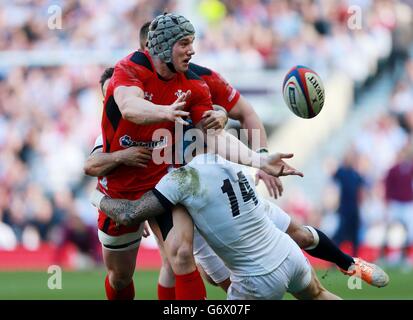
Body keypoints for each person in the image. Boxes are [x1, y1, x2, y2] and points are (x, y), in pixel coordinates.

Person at [96, 12, 300, 300]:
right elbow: (130, 107)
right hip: (120, 189)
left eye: (192, 42)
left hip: (162, 181)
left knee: (180, 253)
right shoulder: (129, 68)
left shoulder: (192, 84)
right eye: (184, 43)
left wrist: (259, 159)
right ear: (164, 47)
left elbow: (215, 137)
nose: (192, 50)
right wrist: (165, 111)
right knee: (119, 278)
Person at [91, 153, 342, 300]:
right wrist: (262, 159)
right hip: (288, 253)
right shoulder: (226, 159)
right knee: (320, 296)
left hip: (257, 280)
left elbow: (129, 214)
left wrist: (97, 198)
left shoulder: (179, 179)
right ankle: (350, 263)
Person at [332, 148, 366, 257]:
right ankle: (334, 257)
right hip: (344, 208)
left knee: (354, 234)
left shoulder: (355, 174)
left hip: (354, 208)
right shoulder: (341, 172)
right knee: (340, 234)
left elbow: (360, 190)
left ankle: (354, 258)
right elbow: (333, 180)